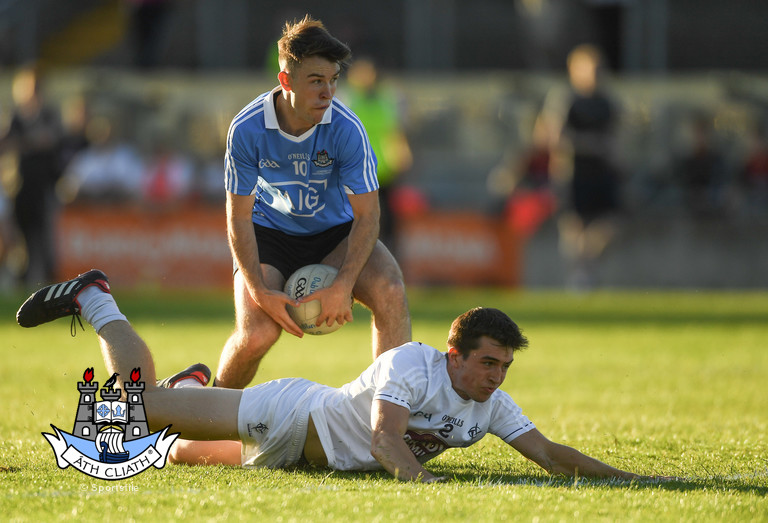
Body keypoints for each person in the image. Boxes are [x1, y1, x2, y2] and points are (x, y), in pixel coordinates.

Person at [17, 269, 667, 483]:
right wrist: (431, 492)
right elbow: (386, 440)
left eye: (505, 365)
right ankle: (97, 297)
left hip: (299, 459)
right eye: (488, 361)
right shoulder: (414, 366)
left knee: (174, 452)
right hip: (292, 414)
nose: (496, 376)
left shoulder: (488, 403)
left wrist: (639, 481)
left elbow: (549, 453)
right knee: (124, 418)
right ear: (455, 354)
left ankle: (190, 392)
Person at [218, 15, 411, 388]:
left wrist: (344, 284)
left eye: (334, 80)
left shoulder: (347, 129)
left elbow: (368, 215)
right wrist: (259, 289)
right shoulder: (246, 129)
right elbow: (238, 217)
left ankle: (389, 419)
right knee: (257, 335)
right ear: (286, 80)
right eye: (316, 81)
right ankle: (208, 421)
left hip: (335, 235)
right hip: (269, 234)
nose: (328, 92)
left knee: (390, 289)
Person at [0, 65, 65, 287]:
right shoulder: (15, 116)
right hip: (18, 187)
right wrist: (31, 142)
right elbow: (6, 144)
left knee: (45, 240)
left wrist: (25, 143)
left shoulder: (49, 114)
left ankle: (51, 285)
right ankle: (22, 284)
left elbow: (52, 139)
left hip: (44, 187)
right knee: (19, 242)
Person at [344, 57, 413, 250]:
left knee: (385, 216)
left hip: (381, 169)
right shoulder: (346, 99)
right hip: (354, 170)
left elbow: (395, 131)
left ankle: (386, 254)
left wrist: (401, 153)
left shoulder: (388, 99)